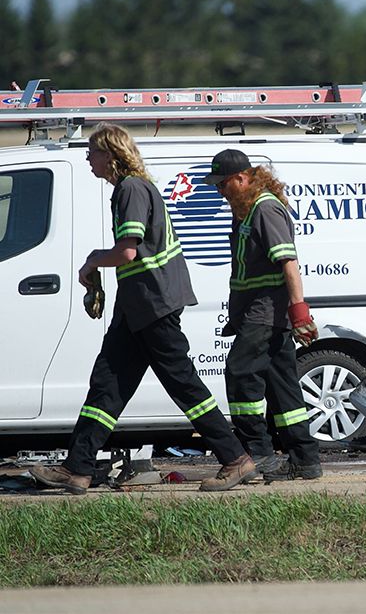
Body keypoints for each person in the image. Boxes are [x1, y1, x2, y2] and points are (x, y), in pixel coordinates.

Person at [29, 124, 256, 494]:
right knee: (107, 386)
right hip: (137, 306)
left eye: (93, 152)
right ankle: (77, 468)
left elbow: (128, 251)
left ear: (110, 154)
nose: (88, 159)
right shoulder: (130, 188)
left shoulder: (131, 189)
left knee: (183, 384)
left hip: (153, 304)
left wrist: (91, 262)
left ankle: (235, 459)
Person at [204, 149, 322, 481]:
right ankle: (305, 458)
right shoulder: (245, 210)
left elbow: (288, 262)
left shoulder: (265, 209)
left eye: (223, 185)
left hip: (266, 312)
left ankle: (257, 454)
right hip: (259, 312)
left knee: (240, 373)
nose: (219, 192)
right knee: (283, 385)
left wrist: (300, 312)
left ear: (242, 179)